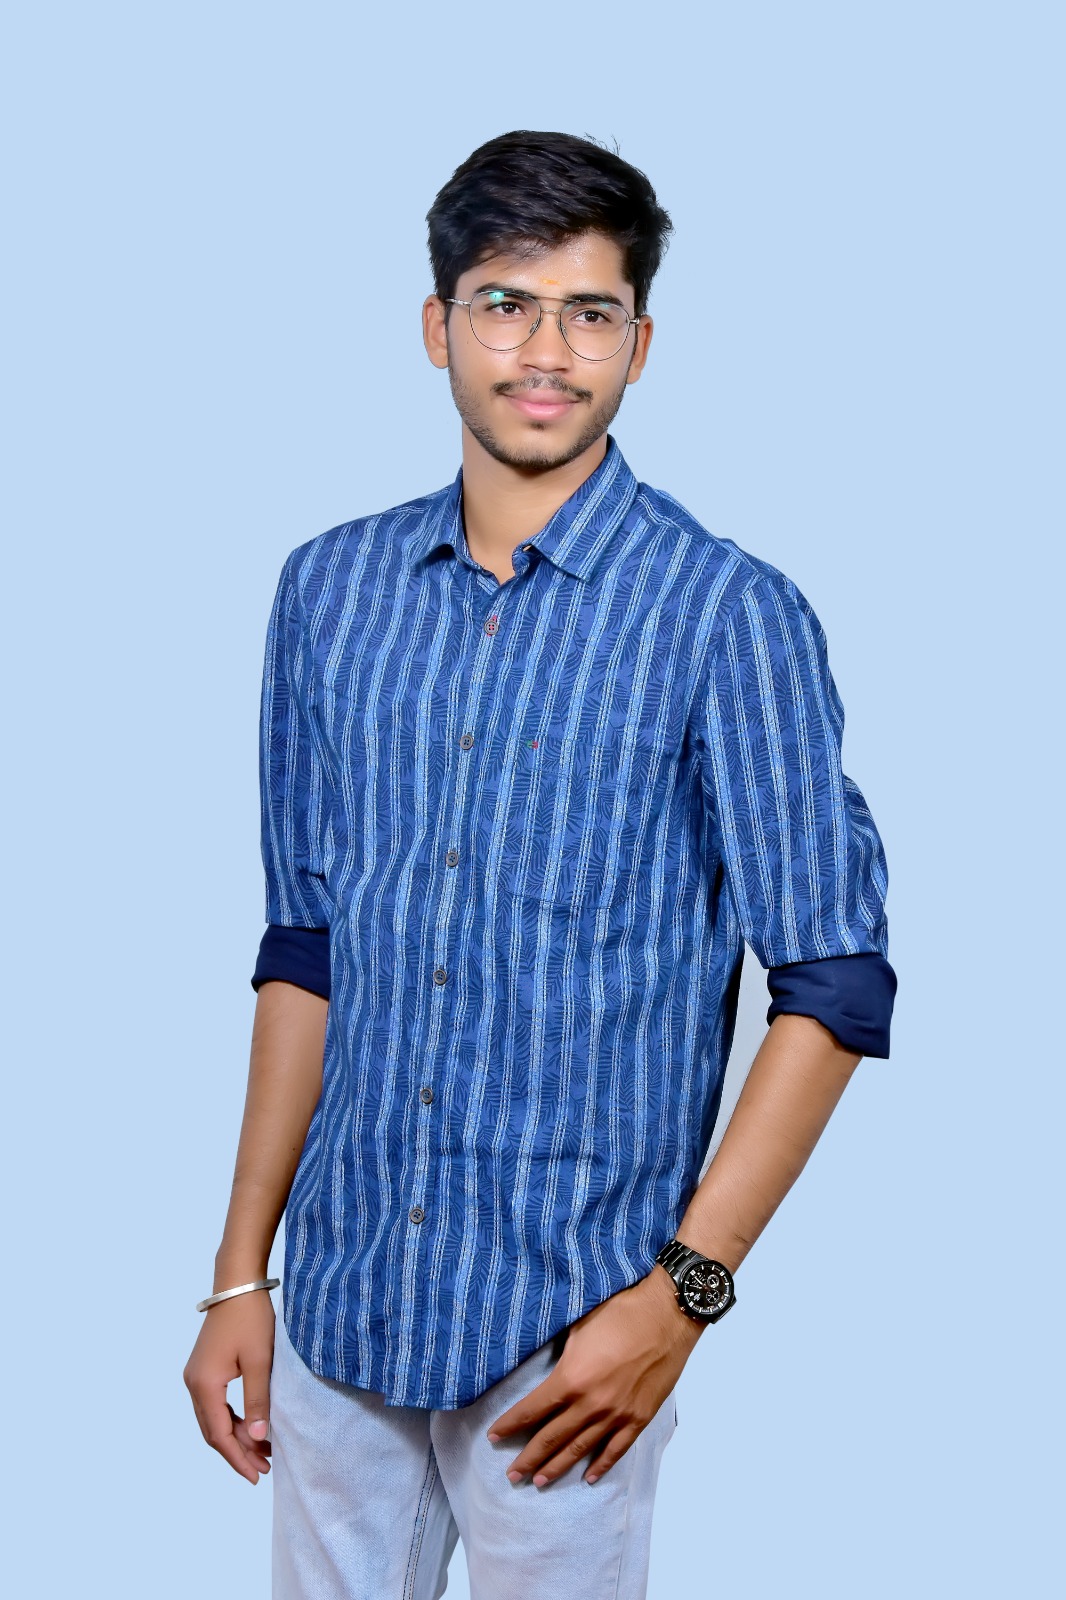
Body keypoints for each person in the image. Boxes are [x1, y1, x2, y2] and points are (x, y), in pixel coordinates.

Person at [184, 129, 897, 1600]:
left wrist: (680, 1300)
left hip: (573, 1332)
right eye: (506, 304)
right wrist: (239, 1271)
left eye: (590, 312)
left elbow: (834, 981)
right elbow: (304, 945)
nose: (546, 351)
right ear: (437, 325)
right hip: (341, 1298)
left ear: (642, 344)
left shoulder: (726, 615)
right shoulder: (328, 591)